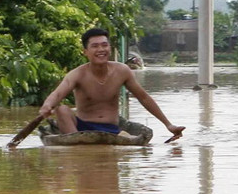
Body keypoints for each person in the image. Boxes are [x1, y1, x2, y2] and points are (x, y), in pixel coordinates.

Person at [38, 28, 184, 140]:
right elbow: (58, 93)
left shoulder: (122, 71)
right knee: (62, 109)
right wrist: (47, 105)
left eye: (104, 45)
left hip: (111, 129)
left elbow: (144, 98)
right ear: (85, 52)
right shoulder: (78, 74)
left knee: (130, 140)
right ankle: (76, 143)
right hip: (82, 128)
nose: (101, 50)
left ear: (110, 48)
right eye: (95, 46)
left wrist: (168, 125)